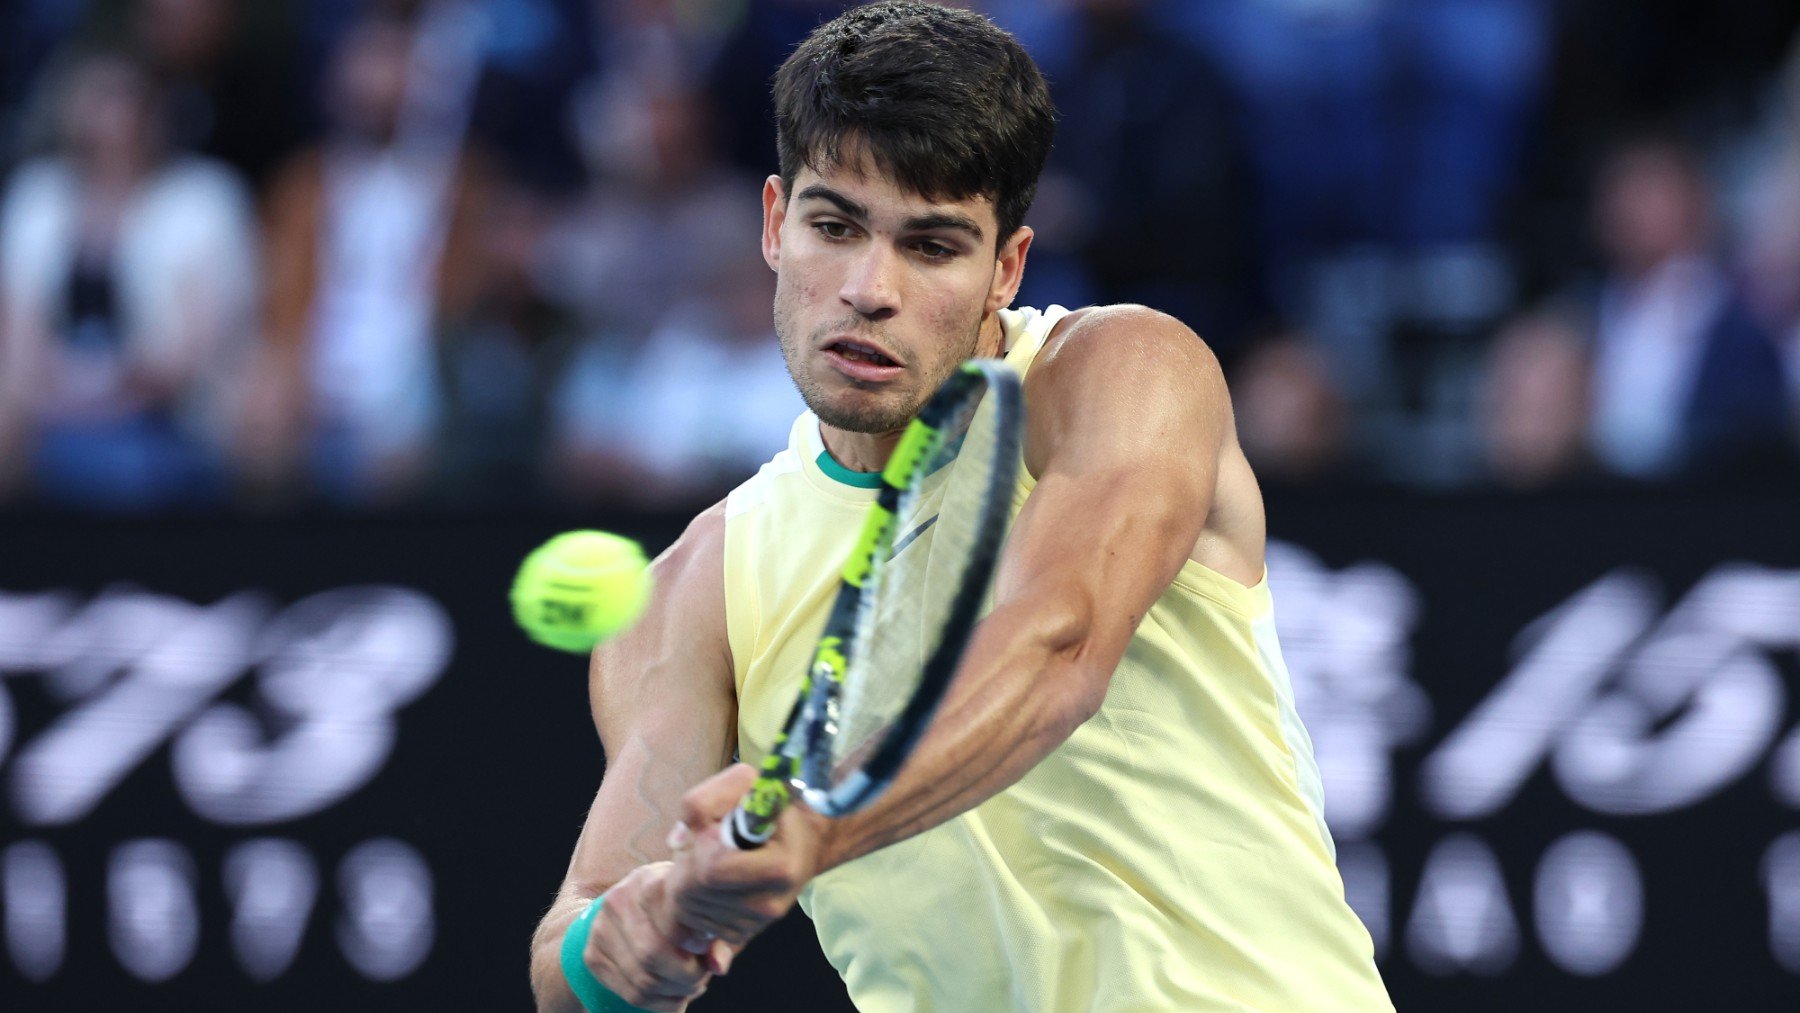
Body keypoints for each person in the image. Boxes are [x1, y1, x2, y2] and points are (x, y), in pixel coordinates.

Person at [528, 4, 1393, 1011]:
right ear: (773, 222)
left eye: (931, 246)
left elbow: (1056, 646)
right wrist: (620, 944)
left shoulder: (1123, 374)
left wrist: (813, 818)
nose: (868, 288)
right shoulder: (689, 591)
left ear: (1007, 268)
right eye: (834, 225)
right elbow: (577, 933)